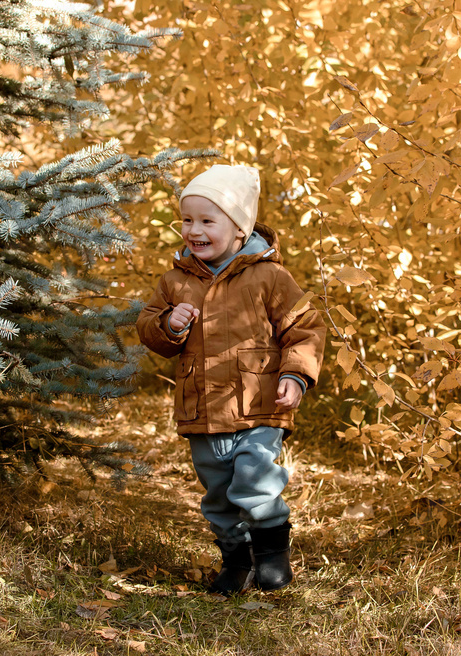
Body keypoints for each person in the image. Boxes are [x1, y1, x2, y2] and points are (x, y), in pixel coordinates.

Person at [137, 164, 326, 594]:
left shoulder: (269, 277)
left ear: (239, 228)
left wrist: (295, 374)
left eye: (207, 220)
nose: (194, 230)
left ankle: (272, 557)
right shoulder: (175, 281)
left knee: (255, 479)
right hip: (202, 409)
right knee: (219, 495)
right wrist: (169, 323)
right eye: (187, 220)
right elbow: (149, 329)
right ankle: (236, 562)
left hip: (260, 404)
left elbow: (304, 327)